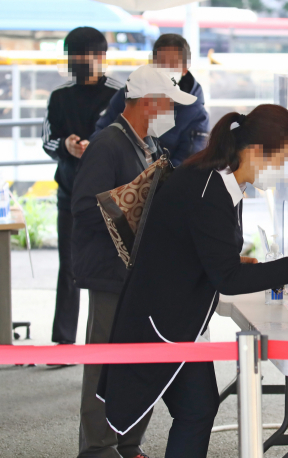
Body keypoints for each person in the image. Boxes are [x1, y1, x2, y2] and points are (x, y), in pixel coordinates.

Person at [97, 104, 288, 458]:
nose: (279, 170)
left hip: (175, 312)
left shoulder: (213, 178)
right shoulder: (210, 189)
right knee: (196, 409)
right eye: (279, 159)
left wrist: (233, 260)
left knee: (197, 408)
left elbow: (201, 250)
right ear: (254, 152)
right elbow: (228, 279)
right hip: (165, 318)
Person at [72, 64, 198, 458]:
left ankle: (127, 443)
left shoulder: (149, 145)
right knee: (105, 366)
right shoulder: (109, 144)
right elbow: (83, 208)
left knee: (135, 365)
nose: (171, 115)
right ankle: (97, 449)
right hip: (111, 275)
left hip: (138, 276)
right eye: (168, 106)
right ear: (148, 104)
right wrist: (136, 204)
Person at [41, 27, 122, 346]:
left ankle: (109, 340)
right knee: (69, 266)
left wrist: (97, 146)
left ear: (101, 58)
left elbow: (129, 136)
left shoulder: (118, 94)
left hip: (110, 197)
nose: (79, 63)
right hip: (70, 194)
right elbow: (47, 140)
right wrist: (67, 146)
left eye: (86, 57)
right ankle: (63, 341)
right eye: (73, 57)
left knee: (110, 269)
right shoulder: (60, 96)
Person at [92, 34, 209, 165]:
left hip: (162, 182)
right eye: (160, 63)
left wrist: (150, 178)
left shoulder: (196, 114)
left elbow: (186, 164)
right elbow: (101, 132)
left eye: (172, 64)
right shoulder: (130, 92)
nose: (165, 69)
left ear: (184, 69)